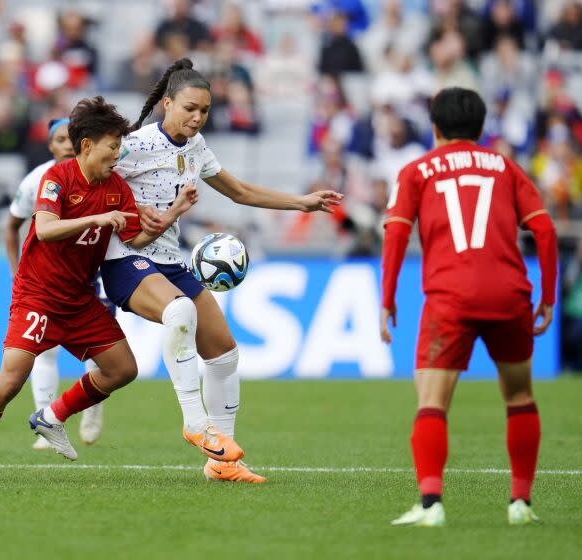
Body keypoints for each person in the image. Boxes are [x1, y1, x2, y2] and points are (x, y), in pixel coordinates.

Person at [101, 58, 343, 483]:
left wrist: (300, 201)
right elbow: (92, 183)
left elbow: (241, 191)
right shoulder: (133, 145)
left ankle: (222, 463)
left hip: (170, 261)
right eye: (190, 108)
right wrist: (134, 209)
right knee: (180, 313)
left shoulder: (196, 148)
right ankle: (195, 422)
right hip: (125, 258)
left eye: (205, 111)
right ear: (168, 103)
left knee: (225, 355)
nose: (197, 117)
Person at [0, 96, 199, 482]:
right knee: (11, 379)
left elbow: (137, 240)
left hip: (79, 300)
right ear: (88, 145)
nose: (119, 153)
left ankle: (52, 415)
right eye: (113, 145)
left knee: (123, 369)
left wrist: (174, 213)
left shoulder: (116, 190)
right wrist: (97, 217)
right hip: (38, 296)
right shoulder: (58, 178)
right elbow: (44, 228)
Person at [380, 87, 557, 527]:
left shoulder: (417, 170)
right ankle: (520, 504)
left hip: (450, 298)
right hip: (510, 294)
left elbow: (396, 235)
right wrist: (548, 296)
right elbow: (546, 231)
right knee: (519, 396)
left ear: (435, 128)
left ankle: (431, 505)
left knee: (432, 401)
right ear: (480, 129)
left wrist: (386, 300)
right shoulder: (507, 167)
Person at [4, 117, 108, 449]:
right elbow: (11, 225)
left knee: (100, 354)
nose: (66, 144)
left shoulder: (100, 175)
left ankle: (93, 404)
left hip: (90, 274)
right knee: (44, 351)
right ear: (50, 145)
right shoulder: (38, 180)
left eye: (71, 138)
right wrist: (15, 270)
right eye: (60, 139)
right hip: (47, 279)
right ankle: (44, 420)